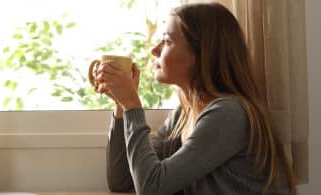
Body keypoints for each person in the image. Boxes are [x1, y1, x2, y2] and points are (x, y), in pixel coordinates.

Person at [94, 2, 297, 195]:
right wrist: (121, 105)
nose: (154, 50)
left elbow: (152, 189)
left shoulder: (229, 114)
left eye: (166, 41)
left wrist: (132, 104)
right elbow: (121, 180)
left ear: (200, 55)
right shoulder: (184, 114)